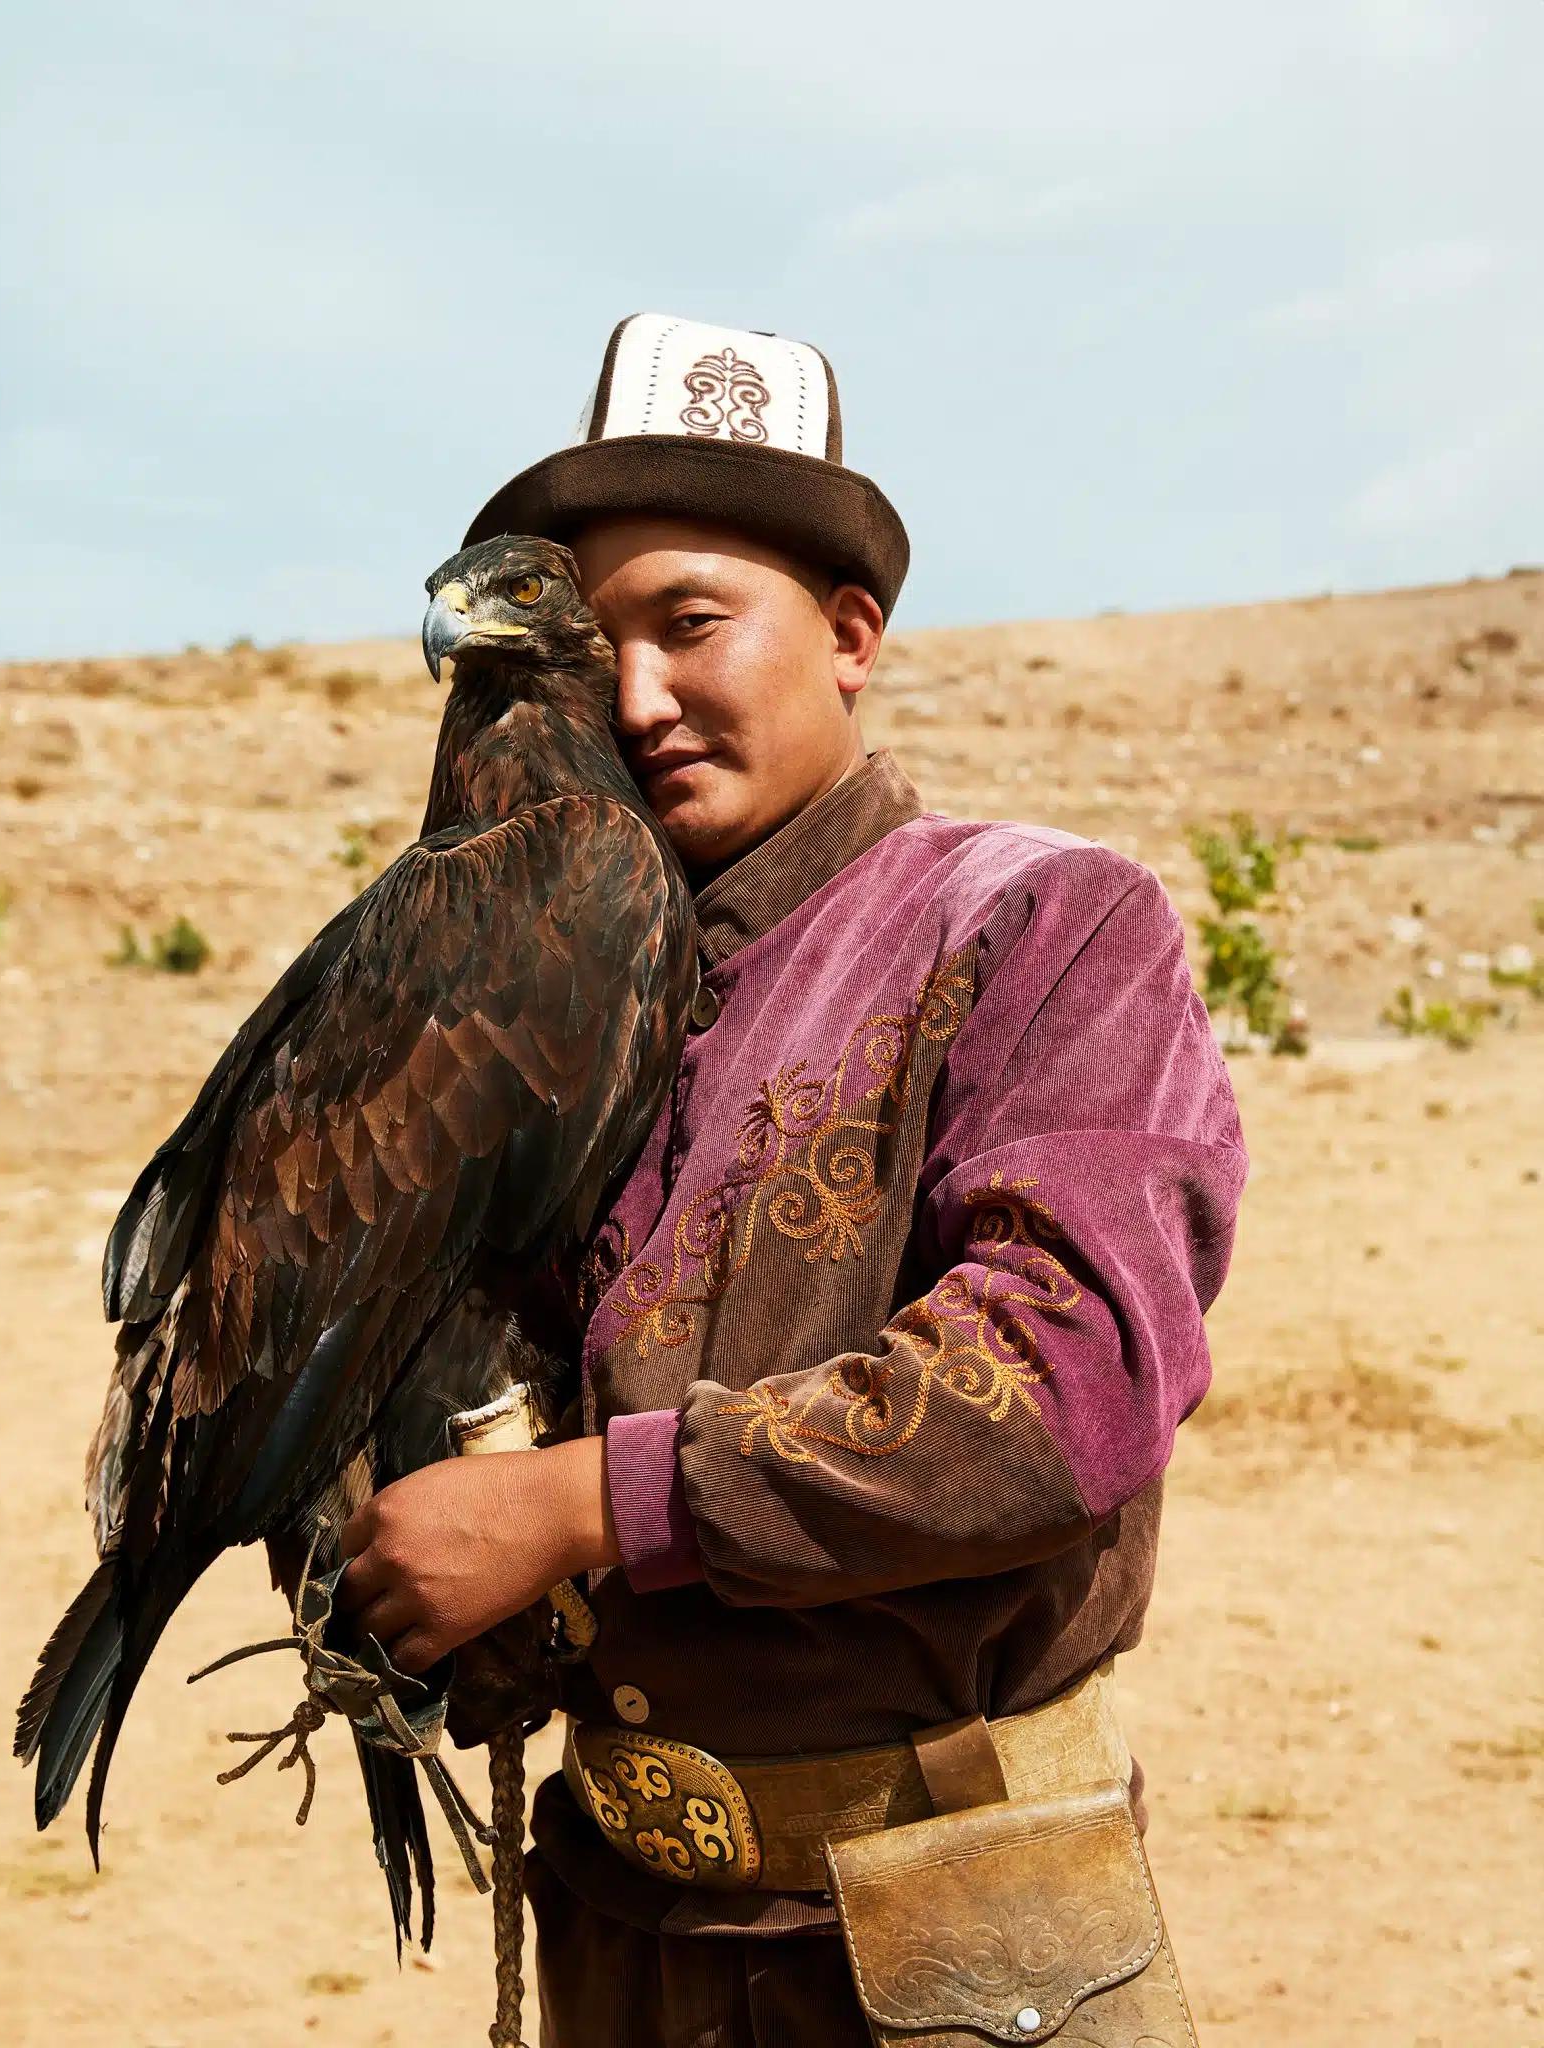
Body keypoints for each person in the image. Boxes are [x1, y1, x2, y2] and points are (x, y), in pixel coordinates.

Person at [336, 313, 1248, 2046]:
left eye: (690, 624)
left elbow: (1062, 1389)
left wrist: (581, 1508)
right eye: (592, 649)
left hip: (953, 1952)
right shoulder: (568, 998)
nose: (635, 700)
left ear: (848, 636)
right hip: (622, 1928)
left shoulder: (1040, 919)